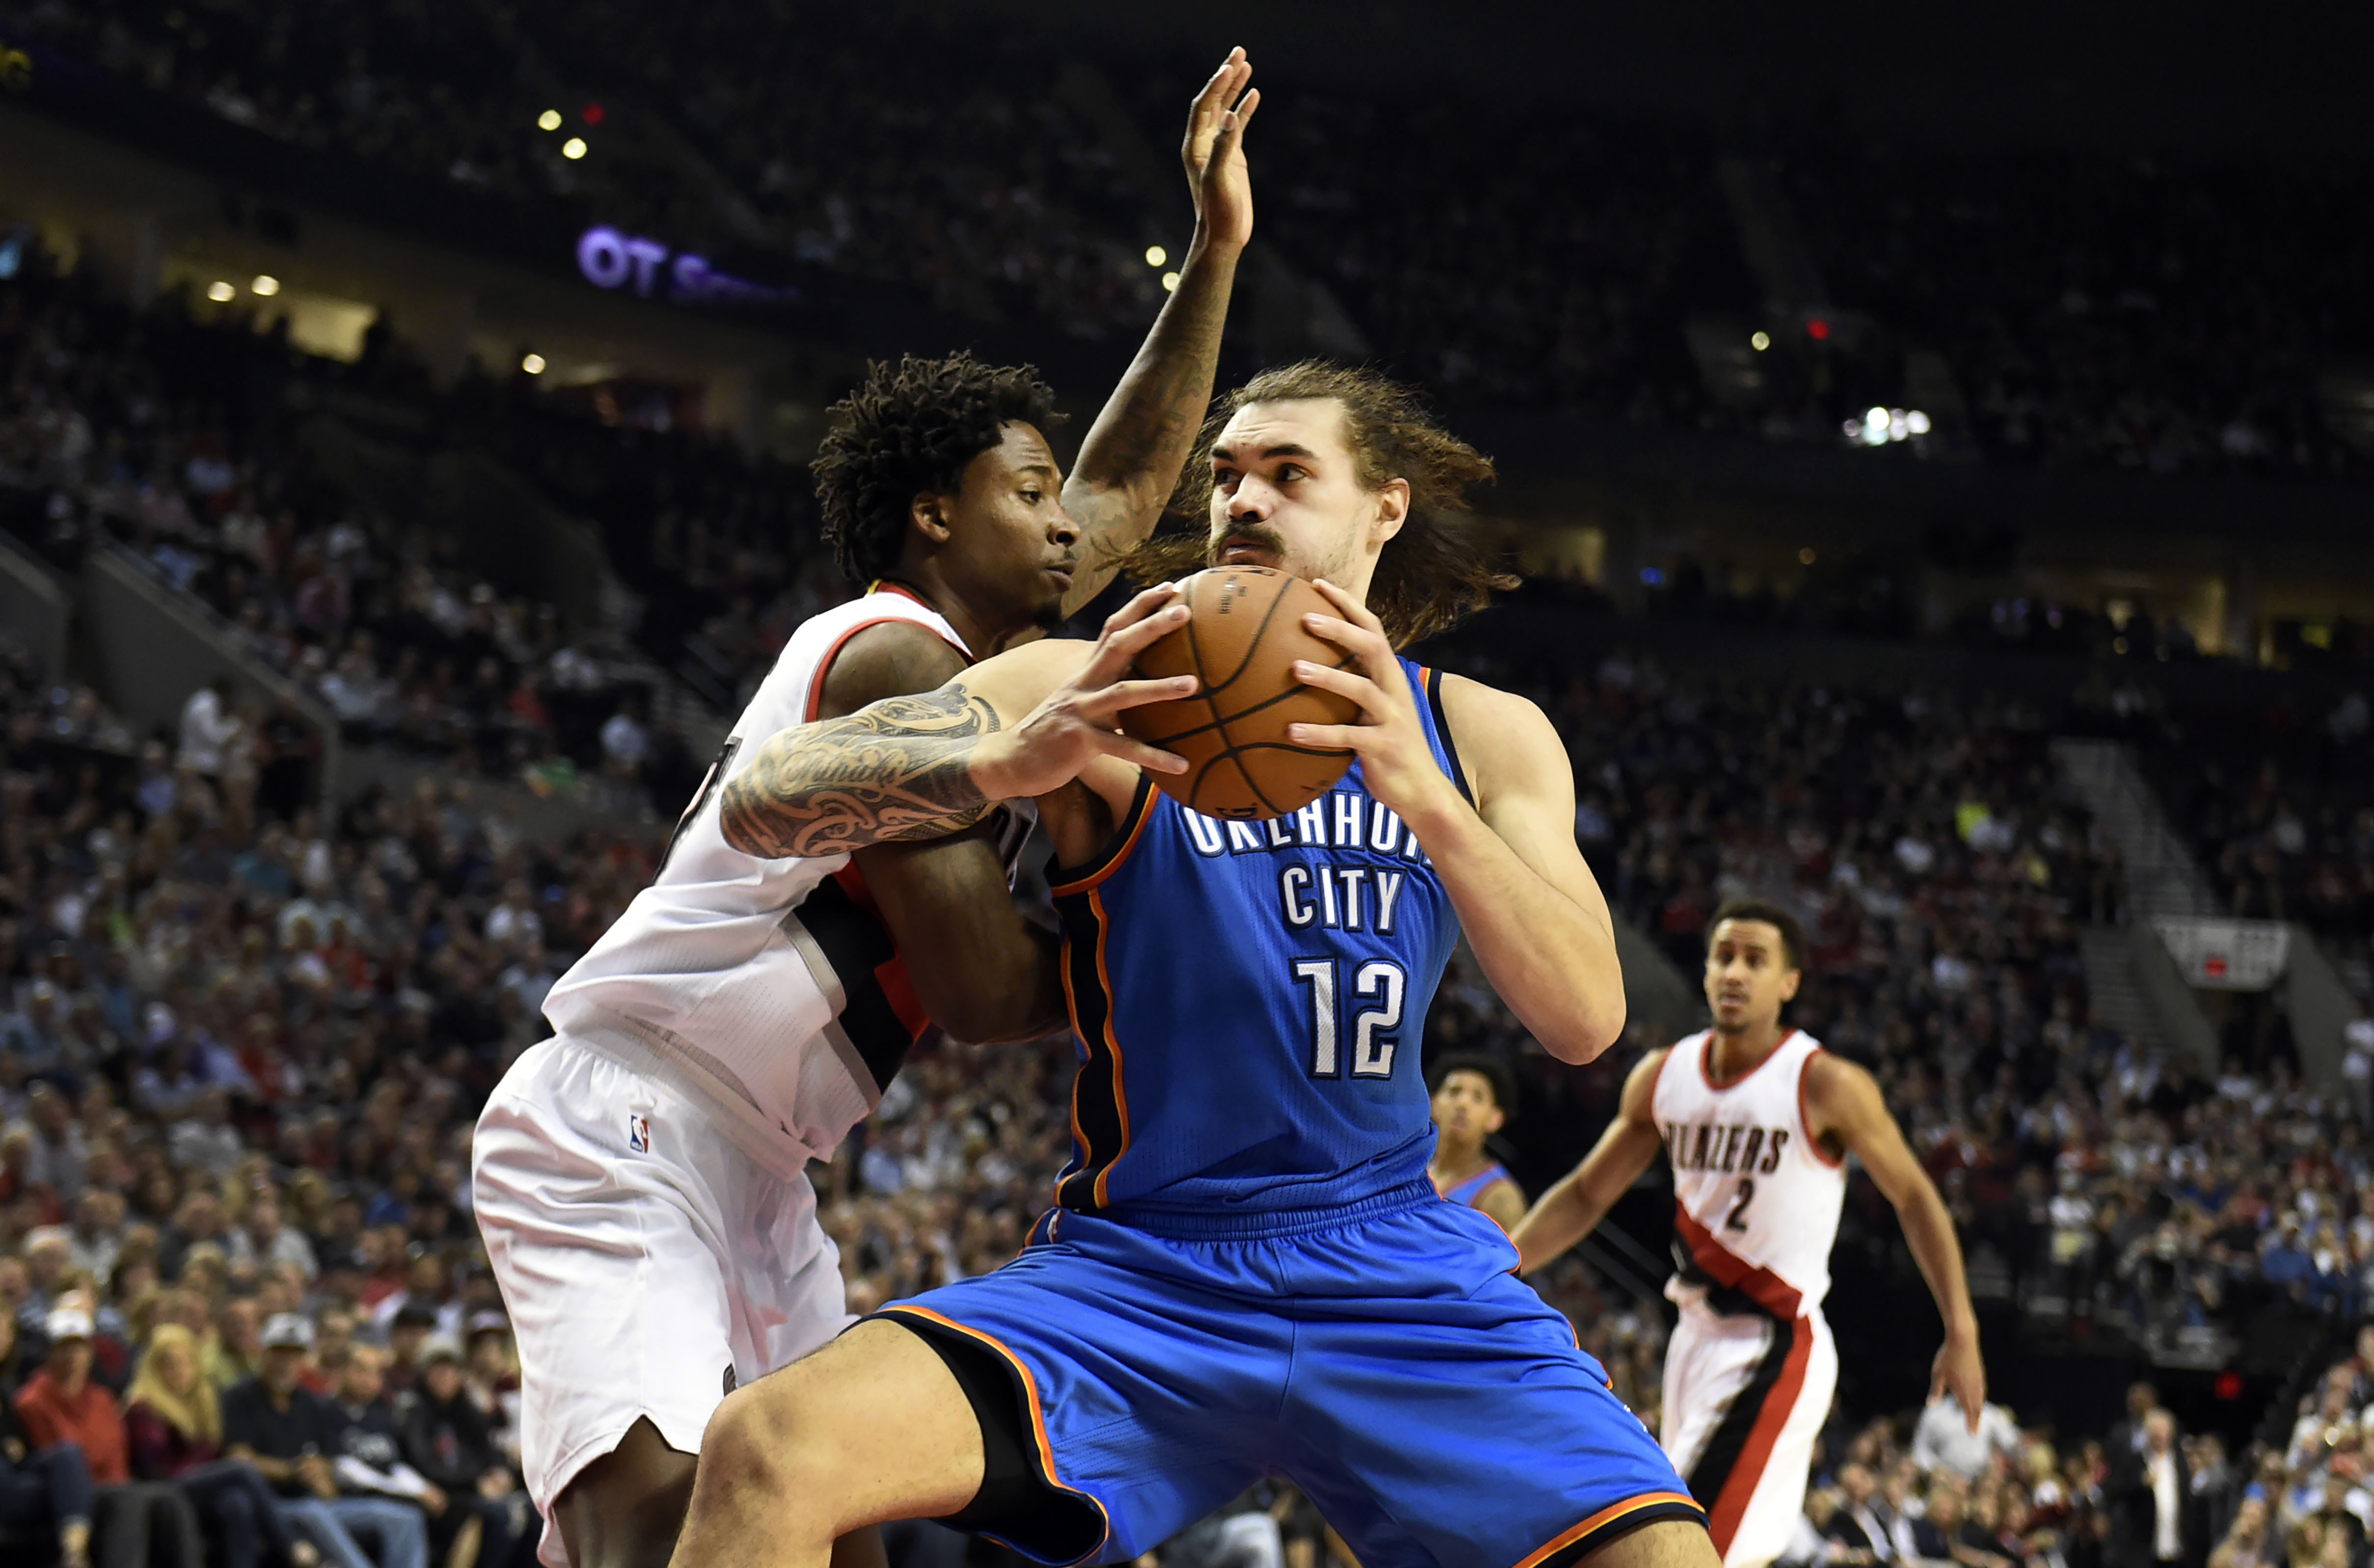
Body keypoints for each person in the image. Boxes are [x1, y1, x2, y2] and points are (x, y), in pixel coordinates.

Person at [671, 362, 1711, 1568]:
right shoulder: (1091, 682)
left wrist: (1424, 800)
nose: (1242, 501)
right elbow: (761, 800)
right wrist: (998, 766)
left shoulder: (1479, 735)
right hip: (1140, 1271)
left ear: (1383, 508)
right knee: (768, 1448)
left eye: (1285, 473)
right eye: (1224, 475)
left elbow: (1584, 1020)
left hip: (1396, 1271)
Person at [469, 48, 1260, 1568]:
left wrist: (1213, 259)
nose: (1067, 523)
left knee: (817, 1528)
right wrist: (1211, 958)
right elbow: (976, 986)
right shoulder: (895, 653)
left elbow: (1120, 482)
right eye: (1028, 493)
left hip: (761, 1158)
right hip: (630, 1115)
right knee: (652, 1530)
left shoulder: (977, 661)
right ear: (935, 511)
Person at [1511, 900, 1986, 1568]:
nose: (1734, 972)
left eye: (1755, 960)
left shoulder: (1824, 1081)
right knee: (1701, 1548)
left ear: (1789, 982)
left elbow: (1915, 1196)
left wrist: (1961, 1328)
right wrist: (1504, 1261)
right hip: (1693, 1339)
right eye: (1723, 955)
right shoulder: (1663, 1074)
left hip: (1775, 1341)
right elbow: (1589, 1191)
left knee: (1680, 1550)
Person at [220, 1313, 430, 1568]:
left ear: (304, 1361)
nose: (285, 1364)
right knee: (314, 1512)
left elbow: (327, 1459)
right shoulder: (240, 1397)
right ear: (263, 1354)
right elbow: (239, 1460)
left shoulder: (310, 1403)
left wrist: (322, 1474)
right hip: (271, 1505)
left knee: (405, 1518)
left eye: (294, 1356)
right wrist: (292, 1470)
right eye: (279, 1354)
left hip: (315, 1499)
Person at [14, 1303, 206, 1568]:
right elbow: (59, 1458)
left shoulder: (102, 1399)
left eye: (79, 1348)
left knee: (169, 1498)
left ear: (91, 1352)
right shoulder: (31, 1401)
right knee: (128, 1500)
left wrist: (117, 1479)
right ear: (50, 1353)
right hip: (72, 1495)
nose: (72, 1357)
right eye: (63, 1348)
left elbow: (117, 1452)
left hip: (112, 1483)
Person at [124, 1322, 317, 1568]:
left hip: (198, 1488)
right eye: (170, 1364)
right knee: (241, 1469)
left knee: (237, 1503)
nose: (180, 1371)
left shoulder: (202, 1404)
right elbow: (157, 1468)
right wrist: (206, 1453)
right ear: (154, 1369)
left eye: (186, 1363)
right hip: (163, 1491)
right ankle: (292, 1545)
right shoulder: (144, 1409)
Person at [400, 1337, 533, 1568]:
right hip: (438, 1495)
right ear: (424, 1374)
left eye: (452, 1370)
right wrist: (475, 1483)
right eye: (438, 1370)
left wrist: (500, 1473)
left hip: (472, 1492)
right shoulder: (414, 1411)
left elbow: (489, 1448)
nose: (446, 1376)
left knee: (535, 1513)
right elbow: (424, 1464)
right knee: (496, 1516)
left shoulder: (463, 1409)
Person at [0, 1305, 97, 1568]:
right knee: (62, 1491)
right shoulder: (31, 1397)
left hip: (19, 1472)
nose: (2, 1337)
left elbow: (22, 1450)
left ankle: (75, 1553)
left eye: (6, 1331)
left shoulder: (6, 1387)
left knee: (68, 1454)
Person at [1425, 1052, 1527, 1229]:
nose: (1463, 1104)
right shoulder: (1409, 1170)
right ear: (1433, 1104)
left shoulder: (1500, 1198)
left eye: (1478, 1098)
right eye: (1454, 1092)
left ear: (1495, 1118)